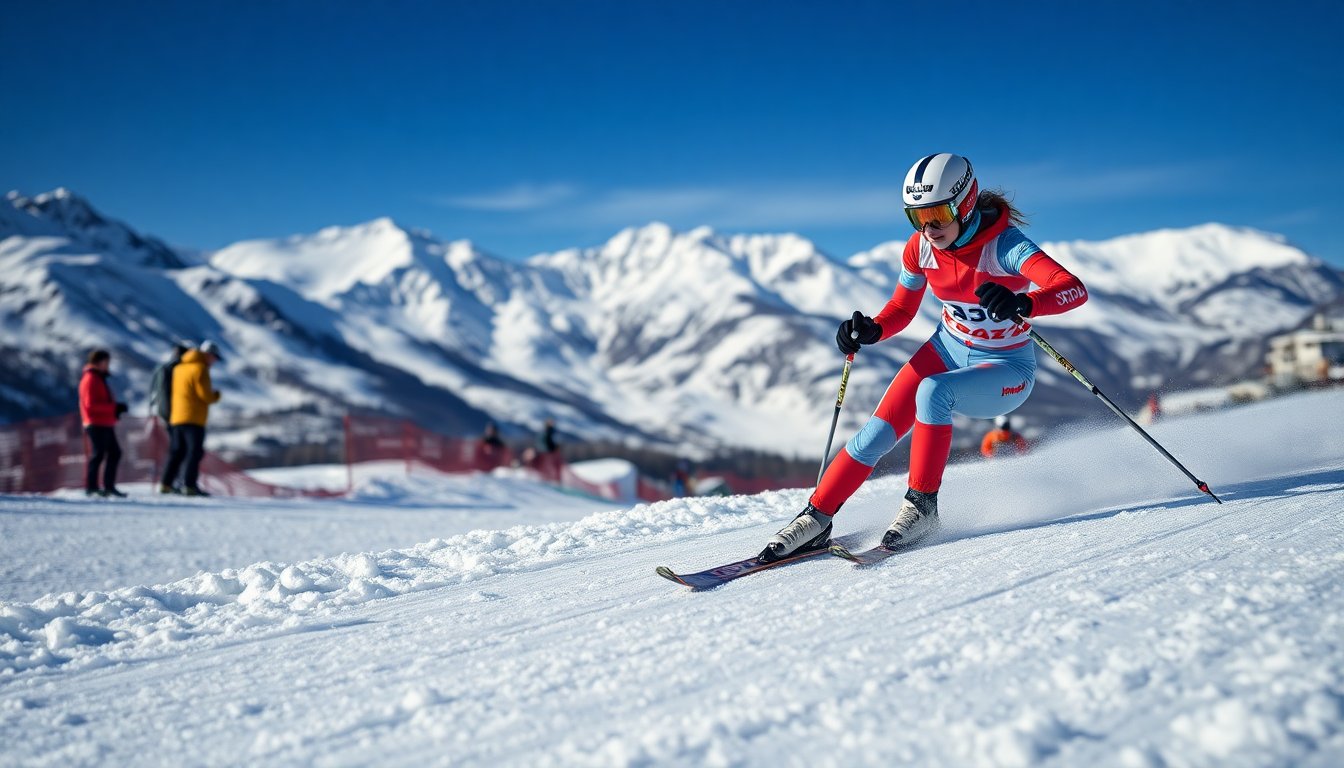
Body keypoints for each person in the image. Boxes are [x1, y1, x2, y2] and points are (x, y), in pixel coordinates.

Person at [761, 153, 1088, 562]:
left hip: (1006, 368)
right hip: (946, 350)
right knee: (874, 434)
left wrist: (1025, 302)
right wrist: (873, 329)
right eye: (916, 217)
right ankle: (816, 516)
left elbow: (1072, 288)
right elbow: (902, 308)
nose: (928, 228)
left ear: (965, 204)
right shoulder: (920, 248)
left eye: (937, 215)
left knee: (934, 392)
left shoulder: (1005, 246)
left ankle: (922, 507)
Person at [160, 340, 223, 496]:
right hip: (193, 417)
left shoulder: (179, 368)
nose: (214, 361)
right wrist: (216, 395)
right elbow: (205, 395)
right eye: (214, 357)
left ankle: (166, 484)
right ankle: (189, 486)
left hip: (176, 417)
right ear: (208, 355)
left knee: (177, 452)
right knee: (194, 452)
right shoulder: (201, 368)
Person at [79, 349, 128, 497]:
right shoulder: (91, 378)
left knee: (113, 453)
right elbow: (90, 405)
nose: (108, 365)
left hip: (104, 422)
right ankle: (92, 487)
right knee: (99, 454)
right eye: (107, 362)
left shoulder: (98, 377)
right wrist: (114, 408)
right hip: (96, 423)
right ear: (100, 362)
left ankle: (107, 486)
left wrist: (114, 409)